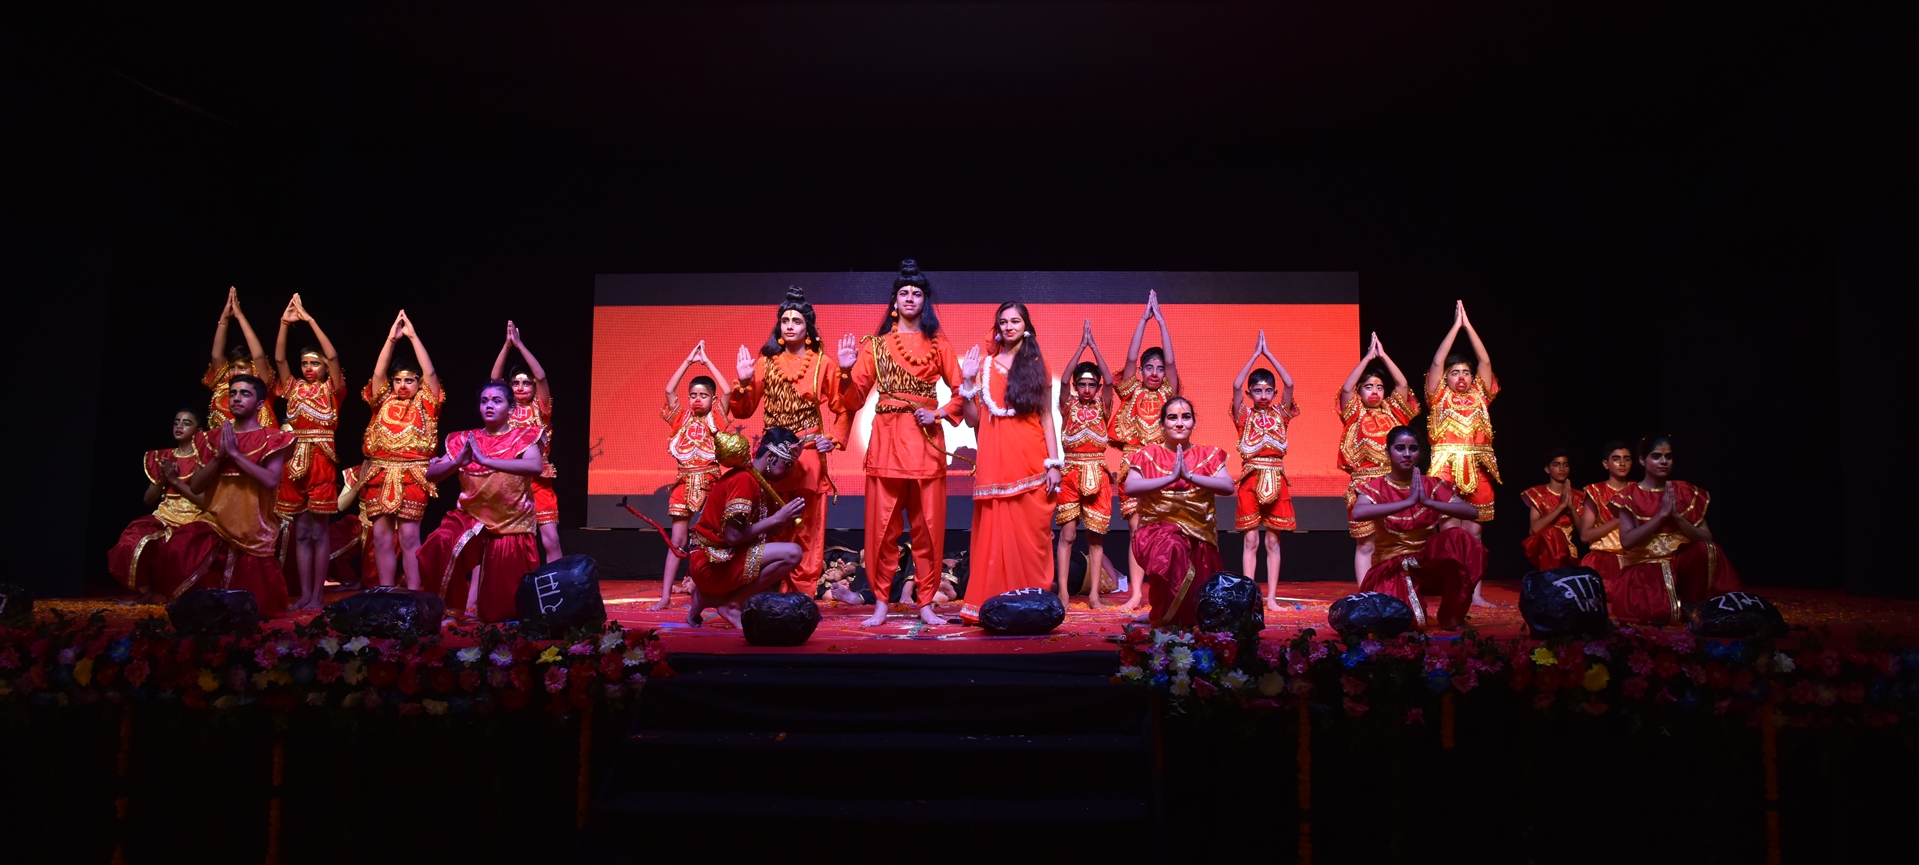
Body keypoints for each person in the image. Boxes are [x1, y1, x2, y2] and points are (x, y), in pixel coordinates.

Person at [836, 262, 966, 627]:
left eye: (917, 293)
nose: (910, 298)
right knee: (882, 529)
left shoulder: (939, 345)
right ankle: (880, 603)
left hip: (926, 444)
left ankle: (926, 604)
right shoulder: (876, 346)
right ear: (895, 301)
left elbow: (962, 392)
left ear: (925, 302)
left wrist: (938, 413)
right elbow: (852, 399)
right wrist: (845, 371)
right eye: (904, 293)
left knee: (928, 529)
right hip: (888, 445)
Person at [733, 287, 850, 600]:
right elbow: (743, 410)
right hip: (771, 456)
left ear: (807, 328)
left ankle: (801, 596)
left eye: (796, 321)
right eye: (784, 320)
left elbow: (844, 408)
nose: (789, 325)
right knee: (770, 524)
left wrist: (833, 439)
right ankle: (766, 592)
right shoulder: (765, 363)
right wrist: (743, 383)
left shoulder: (823, 363)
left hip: (807, 454)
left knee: (807, 529)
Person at [956, 303, 1062, 623]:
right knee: (994, 535)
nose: (1009, 326)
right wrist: (967, 382)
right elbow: (973, 420)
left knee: (1033, 537)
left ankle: (1033, 604)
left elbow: (1046, 418)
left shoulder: (1038, 365)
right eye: (1003, 322)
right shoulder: (986, 366)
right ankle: (992, 605)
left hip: (1031, 459)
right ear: (998, 328)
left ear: (1025, 325)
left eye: (1015, 321)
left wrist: (1053, 464)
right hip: (996, 463)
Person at [162, 375, 296, 616]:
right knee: (179, 549)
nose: (236, 398)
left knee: (259, 610)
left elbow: (270, 481)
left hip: (253, 530)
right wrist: (219, 457)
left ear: (260, 404)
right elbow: (196, 486)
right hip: (215, 524)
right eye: (233, 393)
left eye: (245, 393)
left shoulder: (273, 438)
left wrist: (235, 455)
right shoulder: (211, 439)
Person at [417, 382, 546, 622]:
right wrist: (457, 463)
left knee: (499, 614)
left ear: (511, 408)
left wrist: (486, 461)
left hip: (510, 524)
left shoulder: (524, 436)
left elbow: (534, 466)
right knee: (439, 543)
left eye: (497, 401)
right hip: (470, 518)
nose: (489, 405)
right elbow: (431, 474)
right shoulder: (465, 439)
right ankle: (447, 611)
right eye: (484, 401)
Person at [1350, 426, 1487, 630]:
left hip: (1426, 563)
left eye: (1413, 448)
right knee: (1408, 623)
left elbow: (1471, 512)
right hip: (1392, 567)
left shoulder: (1431, 485)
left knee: (1458, 537)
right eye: (1400, 448)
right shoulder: (1375, 487)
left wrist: (1428, 502)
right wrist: (1408, 502)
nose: (1407, 454)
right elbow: (1358, 513)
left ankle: (1451, 615)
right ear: (1387, 452)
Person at [1604, 436, 1743, 624]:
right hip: (1648, 565)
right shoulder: (1629, 496)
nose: (1664, 461)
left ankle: (1697, 605)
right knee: (1660, 612)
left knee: (1708, 549)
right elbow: (1627, 542)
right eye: (1656, 456)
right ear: (1642, 460)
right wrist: (1661, 515)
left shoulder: (1685, 491)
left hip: (1681, 563)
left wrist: (1677, 516)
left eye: (1668, 457)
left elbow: (1706, 537)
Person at [1122, 397, 1232, 628]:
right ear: (1162, 424)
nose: (1179, 423)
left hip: (1200, 533)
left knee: (1199, 599)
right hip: (1157, 532)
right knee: (1172, 548)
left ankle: (1174, 617)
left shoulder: (1208, 454)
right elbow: (1130, 487)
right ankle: (1164, 615)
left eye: (1186, 417)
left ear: (1193, 423)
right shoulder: (1148, 454)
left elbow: (1227, 486)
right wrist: (1171, 478)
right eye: (1172, 418)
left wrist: (1189, 476)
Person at [684, 428, 808, 629]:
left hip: (721, 559)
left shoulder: (758, 482)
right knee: (792, 554)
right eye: (787, 464)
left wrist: (781, 522)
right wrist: (776, 519)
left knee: (769, 593)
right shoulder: (744, 480)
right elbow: (733, 536)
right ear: (770, 456)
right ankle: (733, 605)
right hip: (711, 564)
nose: (789, 471)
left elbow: (751, 533)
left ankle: (704, 598)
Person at [359, 311, 444, 589]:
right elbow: (378, 374)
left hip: (412, 475)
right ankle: (385, 593)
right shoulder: (382, 400)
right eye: (398, 380)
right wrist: (391, 340)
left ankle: (413, 596)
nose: (403, 385)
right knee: (381, 538)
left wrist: (413, 337)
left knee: (409, 538)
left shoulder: (427, 403)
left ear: (418, 383)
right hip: (379, 473)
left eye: (409, 380)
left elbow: (431, 373)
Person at [272, 294, 344, 611]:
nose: (309, 368)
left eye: (315, 363)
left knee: (318, 531)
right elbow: (279, 360)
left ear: (326, 367)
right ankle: (304, 594)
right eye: (305, 363)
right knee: (301, 532)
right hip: (294, 460)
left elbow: (334, 354)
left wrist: (311, 320)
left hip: (321, 460)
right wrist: (284, 324)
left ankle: (317, 595)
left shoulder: (332, 389)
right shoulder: (293, 388)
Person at [1111, 291, 1180, 612]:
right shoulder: (1131, 390)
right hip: (1135, 466)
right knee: (1137, 530)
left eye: (1159, 368)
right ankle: (1137, 594)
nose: (1154, 372)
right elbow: (1129, 359)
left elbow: (1172, 362)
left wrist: (1161, 322)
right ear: (1140, 371)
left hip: (1164, 466)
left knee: (1165, 532)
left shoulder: (1168, 393)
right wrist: (1143, 319)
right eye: (1148, 367)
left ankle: (1163, 592)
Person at [653, 341, 729, 610]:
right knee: (678, 541)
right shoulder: (680, 419)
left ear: (713, 400)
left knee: (713, 539)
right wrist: (688, 361)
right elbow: (669, 390)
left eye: (704, 395)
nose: (698, 399)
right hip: (683, 483)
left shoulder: (717, 418)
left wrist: (706, 362)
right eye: (693, 395)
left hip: (711, 482)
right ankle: (665, 597)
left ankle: (713, 592)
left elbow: (728, 390)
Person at [1337, 332, 1417, 582]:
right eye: (1369, 387)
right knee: (1366, 543)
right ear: (1360, 392)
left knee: (1395, 541)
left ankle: (1393, 588)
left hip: (1393, 483)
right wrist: (1367, 359)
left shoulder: (1394, 412)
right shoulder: (1354, 413)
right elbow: (1346, 388)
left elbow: (1402, 385)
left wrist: (1383, 356)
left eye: (1380, 387)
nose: (1374, 392)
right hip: (1364, 485)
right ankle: (1365, 593)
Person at [1230, 330, 1300, 610]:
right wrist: (1254, 356)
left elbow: (1290, 383)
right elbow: (1236, 385)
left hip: (1277, 479)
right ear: (1250, 393)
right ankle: (1250, 597)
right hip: (1251, 479)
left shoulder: (1281, 414)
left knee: (1273, 542)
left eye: (1268, 390)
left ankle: (1271, 598)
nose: (1263, 395)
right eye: (1257, 390)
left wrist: (1268, 354)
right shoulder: (1244, 415)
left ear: (1274, 392)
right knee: (1251, 541)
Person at [108, 410, 210, 599]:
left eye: (187, 423)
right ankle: (144, 592)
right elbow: (148, 499)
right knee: (130, 541)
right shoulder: (162, 457)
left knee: (180, 551)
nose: (179, 426)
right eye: (176, 422)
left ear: (199, 431)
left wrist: (175, 481)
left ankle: (178, 598)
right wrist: (163, 480)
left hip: (193, 519)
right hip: (163, 517)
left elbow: (205, 502)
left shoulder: (203, 460)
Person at [1054, 320, 1117, 609]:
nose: (1088, 389)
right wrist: (1081, 347)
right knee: (1067, 535)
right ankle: (1064, 594)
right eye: (1083, 384)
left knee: (1096, 537)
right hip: (1070, 473)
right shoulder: (1068, 405)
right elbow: (1063, 381)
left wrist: (1094, 346)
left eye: (1092, 384)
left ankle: (1093, 596)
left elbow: (1110, 381)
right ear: (1076, 386)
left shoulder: (1103, 406)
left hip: (1098, 473)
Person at [1425, 300, 1500, 536]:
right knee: (1450, 533)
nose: (1461, 377)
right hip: (1445, 467)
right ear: (1445, 378)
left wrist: (1468, 327)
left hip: (1479, 468)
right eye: (1455, 373)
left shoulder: (1480, 395)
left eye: (1466, 373)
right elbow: (1437, 362)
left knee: (1474, 534)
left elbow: (1485, 362)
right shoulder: (1438, 396)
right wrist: (1455, 327)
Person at [491, 321, 565, 562]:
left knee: (551, 539)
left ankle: (558, 582)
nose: (521, 387)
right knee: (509, 541)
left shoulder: (541, 408)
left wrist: (520, 345)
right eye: (515, 383)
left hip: (539, 482)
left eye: (526, 383)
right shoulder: (505, 408)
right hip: (508, 482)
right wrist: (506, 346)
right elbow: (495, 379)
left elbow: (541, 375)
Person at [205, 286, 277, 430]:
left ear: (253, 370)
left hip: (256, 441)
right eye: (232, 368)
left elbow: (258, 356)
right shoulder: (223, 384)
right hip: (223, 442)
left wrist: (240, 316)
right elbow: (216, 355)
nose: (236, 372)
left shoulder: (259, 384)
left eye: (242, 368)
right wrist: (224, 319)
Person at [1574, 441, 1636, 585]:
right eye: (1616, 459)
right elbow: (1585, 536)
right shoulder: (1595, 491)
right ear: (1606, 464)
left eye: (1627, 459)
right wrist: (1618, 520)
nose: (1622, 463)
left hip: (1634, 559)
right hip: (1604, 560)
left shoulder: (1637, 490)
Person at [1520, 447, 1580, 572]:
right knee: (1551, 532)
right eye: (1556, 465)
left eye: (1565, 465)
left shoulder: (1578, 496)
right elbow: (1534, 529)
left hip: (1568, 550)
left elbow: (1584, 534)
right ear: (1547, 469)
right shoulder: (1538, 494)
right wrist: (1561, 506)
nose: (1562, 469)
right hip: (1543, 547)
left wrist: (1572, 508)